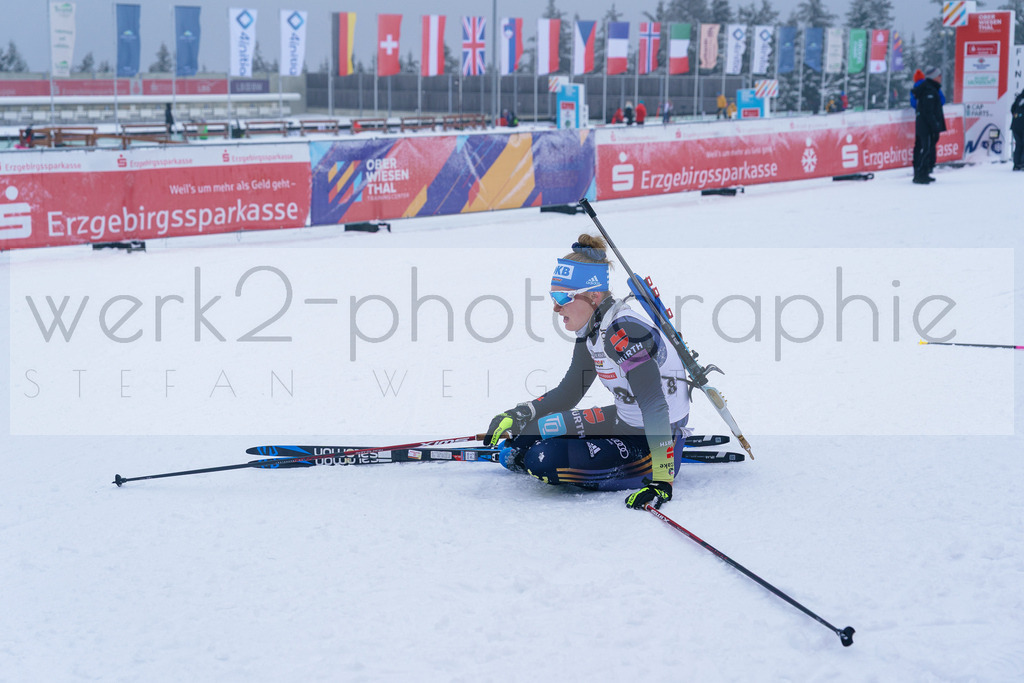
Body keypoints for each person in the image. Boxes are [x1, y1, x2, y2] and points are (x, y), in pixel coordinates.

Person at [484, 234, 692, 509]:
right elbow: (570, 391)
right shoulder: (594, 328)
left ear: (594, 295)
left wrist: (662, 481)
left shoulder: (624, 332)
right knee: (523, 441)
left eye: (562, 297)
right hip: (625, 419)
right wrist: (521, 414)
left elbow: (654, 404)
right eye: (553, 297)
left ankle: (661, 458)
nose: (556, 307)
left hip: (651, 438)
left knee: (542, 460)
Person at [911, 66, 946, 184]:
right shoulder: (929, 90)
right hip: (926, 126)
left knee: (926, 148)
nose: (941, 78)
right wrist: (935, 125)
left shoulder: (930, 88)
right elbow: (928, 111)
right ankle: (920, 174)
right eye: (939, 75)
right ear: (934, 77)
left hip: (925, 125)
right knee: (925, 149)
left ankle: (923, 173)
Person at [1011, 90, 1024, 170]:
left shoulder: (1019, 98)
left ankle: (1016, 164)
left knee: (1019, 144)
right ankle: (1022, 163)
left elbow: (1012, 109)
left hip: (1015, 125)